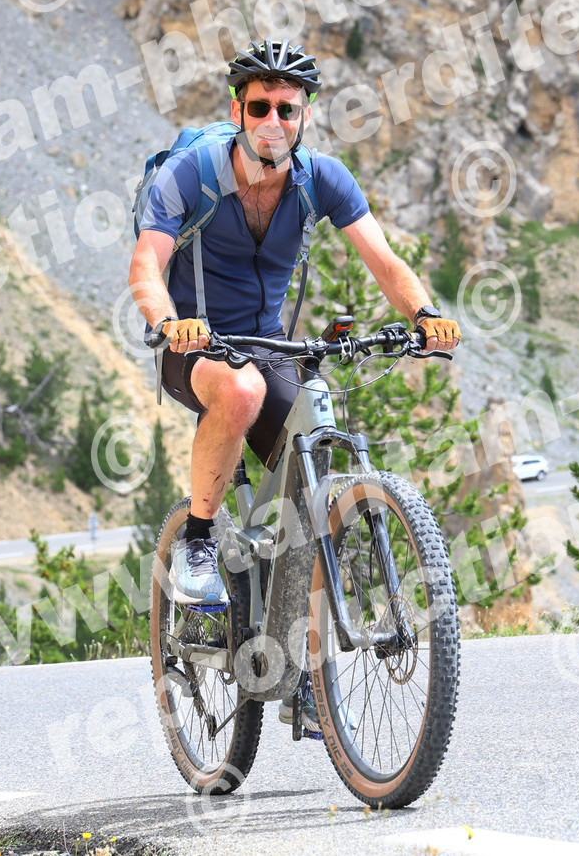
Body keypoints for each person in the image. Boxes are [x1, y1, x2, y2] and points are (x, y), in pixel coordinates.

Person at [127, 39, 461, 736]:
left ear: (304, 115)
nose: (273, 120)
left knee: (316, 450)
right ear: (237, 112)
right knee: (242, 394)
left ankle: (303, 669)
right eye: (259, 107)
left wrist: (424, 315)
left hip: (267, 342)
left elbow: (384, 259)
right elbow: (146, 266)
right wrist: (168, 323)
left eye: (287, 107)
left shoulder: (322, 179)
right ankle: (197, 539)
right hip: (196, 344)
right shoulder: (192, 173)